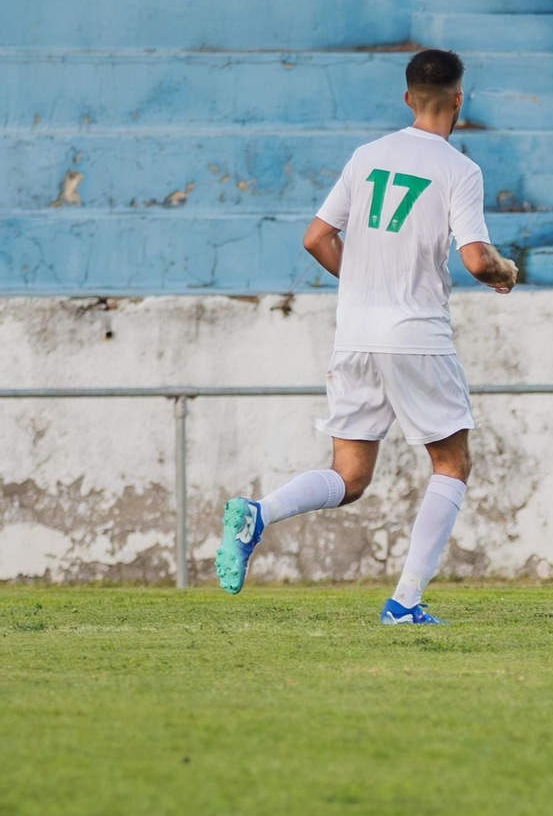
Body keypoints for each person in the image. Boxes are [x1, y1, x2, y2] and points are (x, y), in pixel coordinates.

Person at [213, 49, 520, 623]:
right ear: (459, 100)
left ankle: (258, 514)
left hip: (354, 335)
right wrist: (506, 272)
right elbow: (477, 260)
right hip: (415, 336)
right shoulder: (459, 169)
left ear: (407, 98)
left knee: (349, 477)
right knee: (451, 465)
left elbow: (315, 237)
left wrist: (361, 281)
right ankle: (404, 601)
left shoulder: (367, 156)